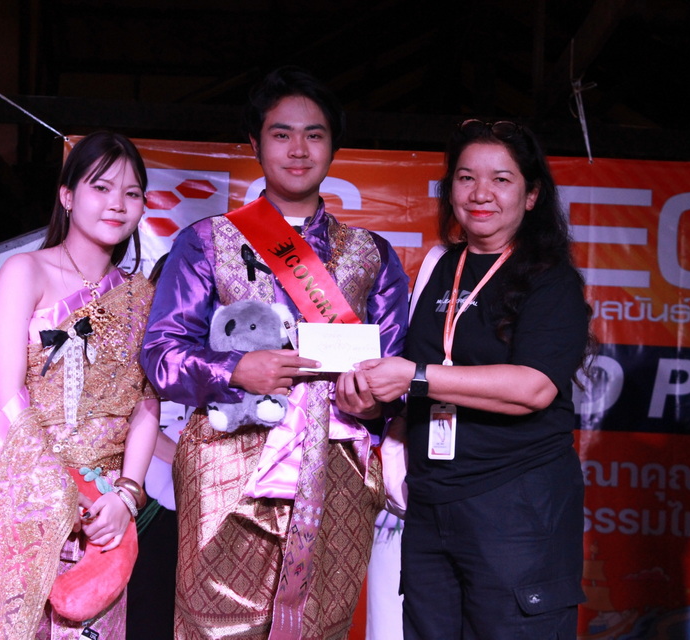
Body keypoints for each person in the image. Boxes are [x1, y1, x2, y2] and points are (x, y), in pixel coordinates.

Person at [141, 66, 409, 639]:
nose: (298, 149)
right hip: (228, 469)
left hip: (337, 470)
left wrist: (375, 402)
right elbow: (162, 353)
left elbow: (396, 367)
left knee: (320, 626)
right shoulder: (206, 242)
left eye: (314, 134)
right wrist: (235, 368)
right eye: (281, 133)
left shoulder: (372, 254)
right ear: (255, 143)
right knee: (213, 625)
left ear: (334, 146)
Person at [357, 119, 592, 638]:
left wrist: (416, 377)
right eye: (466, 178)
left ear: (532, 195)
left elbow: (533, 388)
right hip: (430, 502)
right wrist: (372, 398)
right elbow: (407, 377)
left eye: (501, 180)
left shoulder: (550, 279)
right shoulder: (440, 267)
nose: (481, 193)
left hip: (514, 505)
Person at [0, 131, 160, 639]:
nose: (117, 203)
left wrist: (126, 496)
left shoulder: (144, 296)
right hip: (24, 492)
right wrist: (60, 488)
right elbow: (6, 393)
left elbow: (146, 404)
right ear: (67, 196)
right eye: (101, 187)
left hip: (102, 514)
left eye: (131, 193)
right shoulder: (26, 271)